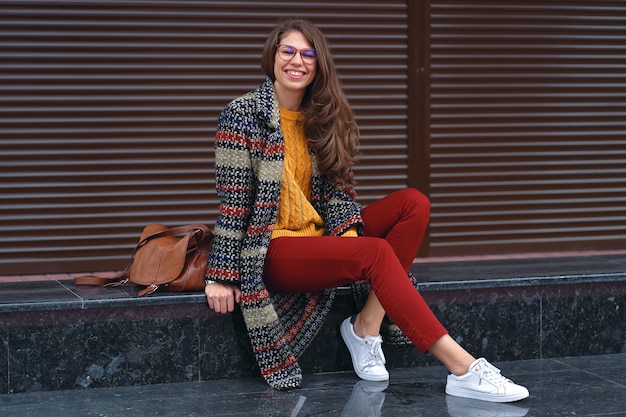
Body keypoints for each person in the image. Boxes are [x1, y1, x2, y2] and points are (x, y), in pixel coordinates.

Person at [204, 18, 529, 403]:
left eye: (308, 54)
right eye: (287, 51)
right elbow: (234, 200)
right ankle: (462, 367)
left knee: (413, 203)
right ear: (272, 56)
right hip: (270, 249)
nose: (297, 61)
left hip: (318, 237)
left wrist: (347, 236)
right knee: (374, 252)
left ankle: (365, 327)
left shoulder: (321, 117)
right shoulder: (242, 114)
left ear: (318, 64)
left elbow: (339, 192)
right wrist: (220, 275)